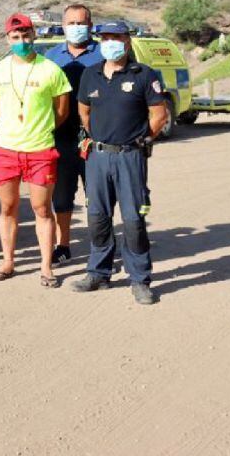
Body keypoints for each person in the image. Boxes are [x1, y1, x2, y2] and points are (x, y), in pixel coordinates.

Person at [73, 21, 168, 305]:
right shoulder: (90, 75)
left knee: (132, 220)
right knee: (98, 218)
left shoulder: (143, 75)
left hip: (130, 157)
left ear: (127, 41)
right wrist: (100, 139)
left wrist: (140, 140)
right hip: (98, 157)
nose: (110, 42)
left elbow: (159, 116)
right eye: (105, 38)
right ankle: (99, 273)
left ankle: (140, 279)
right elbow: (84, 113)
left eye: (115, 37)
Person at [0, 13, 71, 287]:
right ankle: (8, 261)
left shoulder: (51, 69)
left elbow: (61, 111)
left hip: (40, 151)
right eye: (15, 37)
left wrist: (39, 129)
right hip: (6, 149)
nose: (21, 41)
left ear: (34, 35)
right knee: (8, 207)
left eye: (25, 36)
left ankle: (46, 267)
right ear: (7, 39)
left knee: (41, 208)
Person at [45, 4, 103, 264]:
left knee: (98, 196)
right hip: (61, 137)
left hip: (98, 137)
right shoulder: (51, 56)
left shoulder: (104, 52)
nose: (76, 28)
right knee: (62, 196)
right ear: (63, 25)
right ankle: (63, 244)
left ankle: (101, 245)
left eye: (81, 23)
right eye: (71, 23)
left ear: (90, 26)